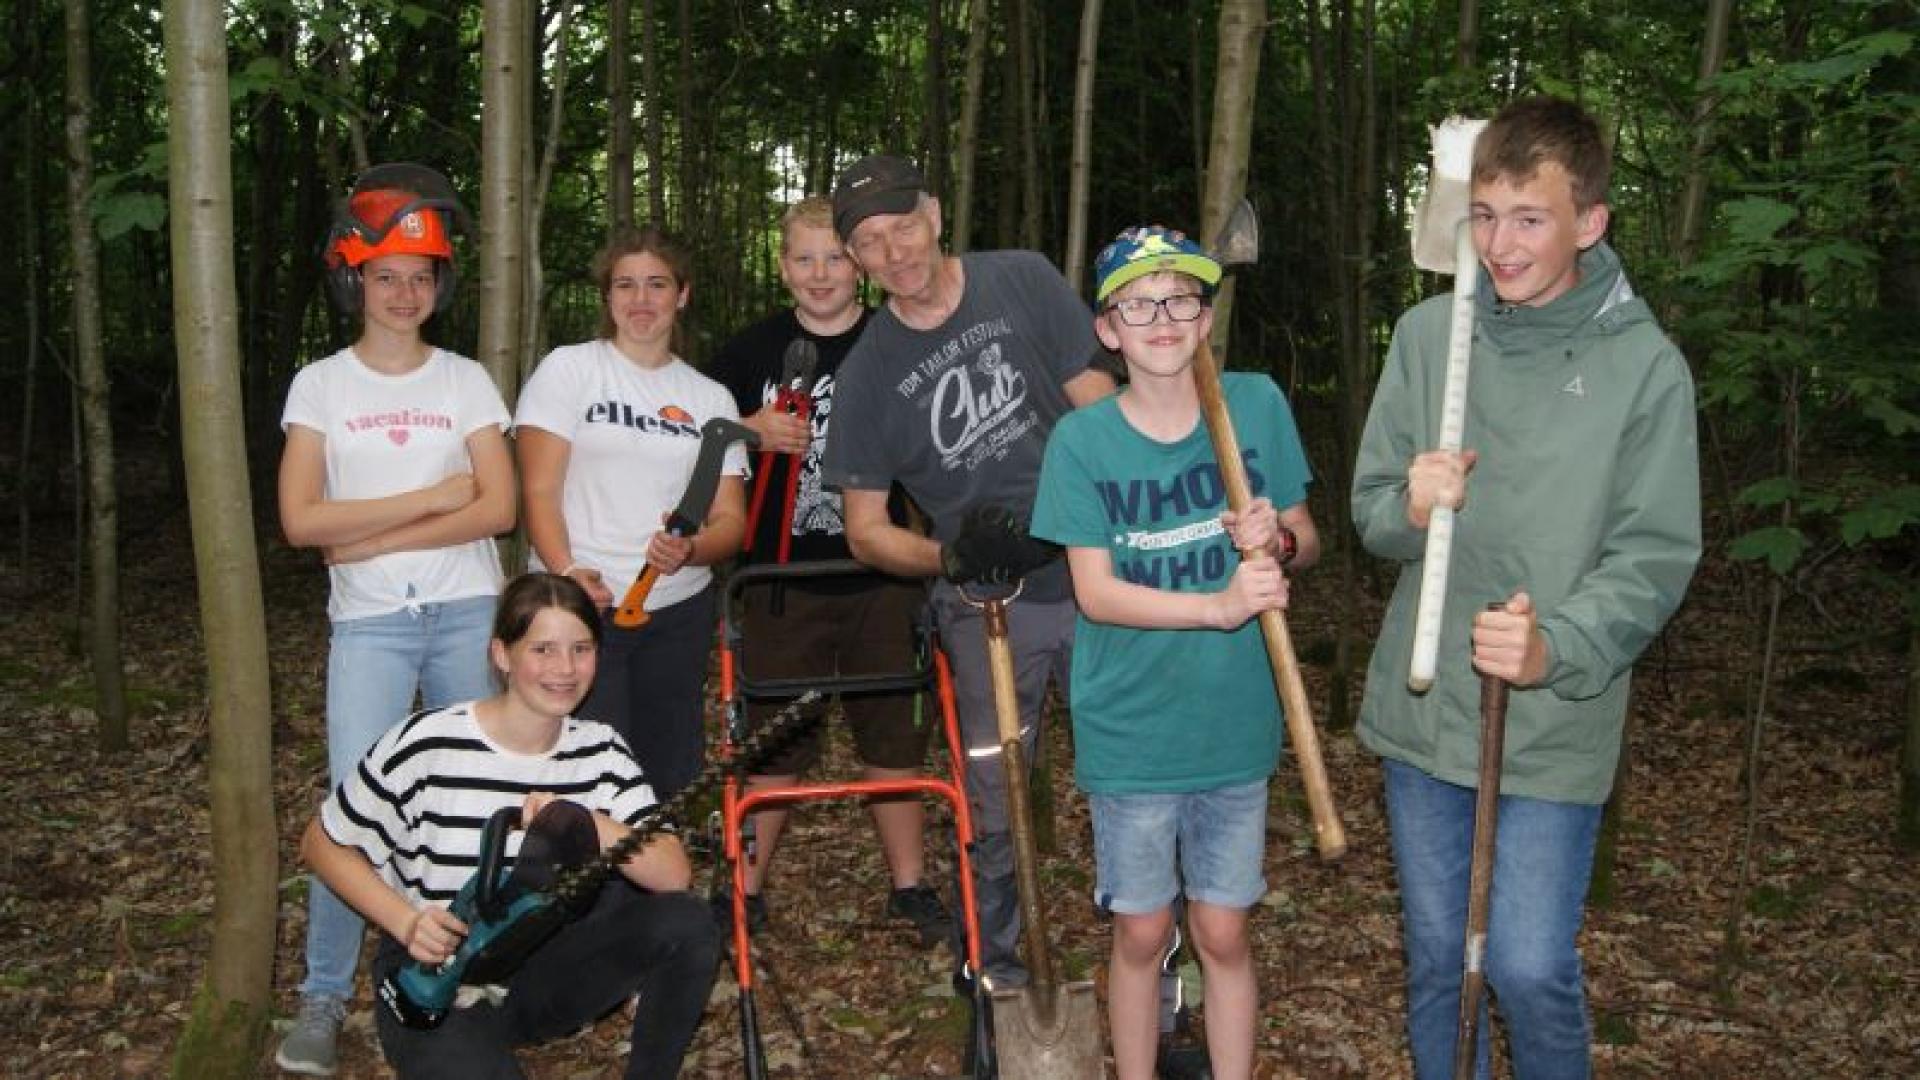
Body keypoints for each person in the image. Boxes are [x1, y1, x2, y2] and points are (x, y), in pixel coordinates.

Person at [1351, 95, 1701, 1080]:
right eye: (1487, 215)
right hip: (1425, 716)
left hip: (1552, 721)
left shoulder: (1645, 371)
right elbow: (1370, 513)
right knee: (1434, 959)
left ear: (1589, 222)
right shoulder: (1430, 337)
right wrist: (1409, 506)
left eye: (1530, 218)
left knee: (1526, 963)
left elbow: (1653, 556)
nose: (1500, 244)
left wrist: (1561, 644)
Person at [1030, 225, 1320, 1080]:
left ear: (1204, 317)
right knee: (1144, 928)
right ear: (1109, 330)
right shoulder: (1083, 443)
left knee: (1223, 928)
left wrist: (1280, 542)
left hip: (1234, 715)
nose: (1163, 317)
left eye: (1182, 298)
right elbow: (1096, 593)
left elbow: (1307, 537)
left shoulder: (1257, 404)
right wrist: (1217, 605)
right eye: (1138, 303)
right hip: (1132, 723)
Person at [819, 154, 1115, 987]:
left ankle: (1159, 984)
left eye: (903, 224)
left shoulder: (1021, 280)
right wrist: (948, 557)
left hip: (1102, 578)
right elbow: (867, 533)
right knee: (995, 795)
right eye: (869, 242)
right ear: (856, 261)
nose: (895, 251)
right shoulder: (868, 374)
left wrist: (1079, 519)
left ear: (937, 214)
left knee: (1140, 780)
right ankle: (997, 968)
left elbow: (1101, 408)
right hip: (989, 605)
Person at [276, 163, 516, 1076]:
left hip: (464, 611)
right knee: (354, 812)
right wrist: (436, 493)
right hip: (370, 625)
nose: (405, 293)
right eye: (387, 276)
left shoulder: (466, 379)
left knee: (477, 799)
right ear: (355, 281)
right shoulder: (321, 386)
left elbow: (495, 509)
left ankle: (465, 965)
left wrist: (372, 533)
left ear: (439, 285)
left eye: (420, 276)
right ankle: (323, 996)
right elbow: (303, 521)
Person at [299, 571, 720, 1079]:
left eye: (580, 649)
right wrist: (406, 922)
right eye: (542, 649)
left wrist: (586, 821)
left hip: (540, 965)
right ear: (502, 655)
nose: (564, 669)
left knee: (689, 922)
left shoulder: (600, 749)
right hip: (434, 972)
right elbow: (321, 844)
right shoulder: (430, 742)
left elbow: (674, 876)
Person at [706, 195, 951, 943]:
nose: (821, 274)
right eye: (804, 259)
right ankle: (746, 891)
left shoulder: (899, 340)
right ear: (782, 269)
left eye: (836, 258)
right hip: (779, 581)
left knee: (895, 741)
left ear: (863, 266)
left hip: (885, 578)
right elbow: (687, 438)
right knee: (776, 745)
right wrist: (746, 433)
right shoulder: (745, 354)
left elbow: (944, 438)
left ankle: (909, 885)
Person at [515, 226, 748, 798]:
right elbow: (539, 491)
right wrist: (567, 574)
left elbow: (731, 522)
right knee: (585, 772)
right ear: (607, 296)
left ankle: (662, 887)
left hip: (677, 613)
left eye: (656, 284)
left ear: (683, 294)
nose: (641, 301)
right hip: (580, 611)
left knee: (669, 775)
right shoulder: (568, 370)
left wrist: (690, 549)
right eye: (625, 285)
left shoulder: (711, 398)